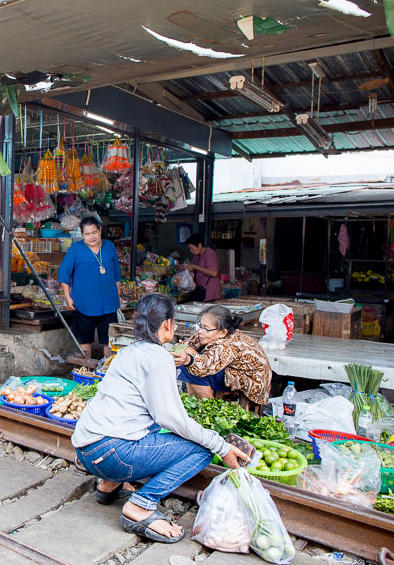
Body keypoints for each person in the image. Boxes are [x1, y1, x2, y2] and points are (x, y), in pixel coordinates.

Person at [72, 293, 248, 543]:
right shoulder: (158, 358)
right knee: (204, 449)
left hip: (85, 450)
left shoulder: (127, 352)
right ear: (167, 324)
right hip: (112, 453)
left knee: (149, 429)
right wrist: (220, 444)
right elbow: (171, 419)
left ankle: (108, 486)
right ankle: (141, 505)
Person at [174, 305, 272, 406]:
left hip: (252, 384)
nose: (200, 332)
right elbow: (186, 345)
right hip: (231, 372)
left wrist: (189, 359)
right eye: (200, 326)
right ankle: (197, 402)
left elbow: (204, 366)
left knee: (190, 369)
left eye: (206, 329)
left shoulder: (229, 344)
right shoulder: (209, 333)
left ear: (222, 332)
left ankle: (207, 409)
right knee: (188, 361)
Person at [58, 216, 121, 359]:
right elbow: (63, 274)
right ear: (82, 234)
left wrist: (117, 294)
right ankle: (86, 372)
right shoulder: (76, 249)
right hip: (84, 304)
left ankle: (108, 373)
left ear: (100, 231)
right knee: (84, 339)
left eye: (94, 233)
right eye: (87, 234)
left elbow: (117, 274)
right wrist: (68, 298)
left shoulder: (109, 246)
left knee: (109, 341)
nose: (91, 237)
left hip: (108, 304)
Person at [183, 234, 221, 302]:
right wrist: (185, 266)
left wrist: (195, 267)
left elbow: (214, 273)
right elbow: (191, 265)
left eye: (192, 248)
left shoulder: (210, 254)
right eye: (190, 249)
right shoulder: (197, 256)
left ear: (199, 245)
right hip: (200, 290)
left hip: (209, 292)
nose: (191, 251)